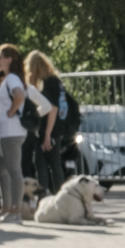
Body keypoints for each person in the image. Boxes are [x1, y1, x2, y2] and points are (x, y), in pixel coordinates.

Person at [0, 45, 31, 221]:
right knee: (0, 168)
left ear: (9, 59)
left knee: (13, 169)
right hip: (5, 132)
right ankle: (6, 208)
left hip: (12, 131)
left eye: (0, 57)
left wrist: (11, 112)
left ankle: (15, 211)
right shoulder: (8, 79)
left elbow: (19, 96)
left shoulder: (12, 78)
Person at [26, 50, 78, 192]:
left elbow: (52, 109)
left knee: (42, 165)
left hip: (49, 129)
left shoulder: (47, 83)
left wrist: (47, 135)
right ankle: (59, 196)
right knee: (55, 165)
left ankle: (45, 197)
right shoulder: (56, 81)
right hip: (59, 127)